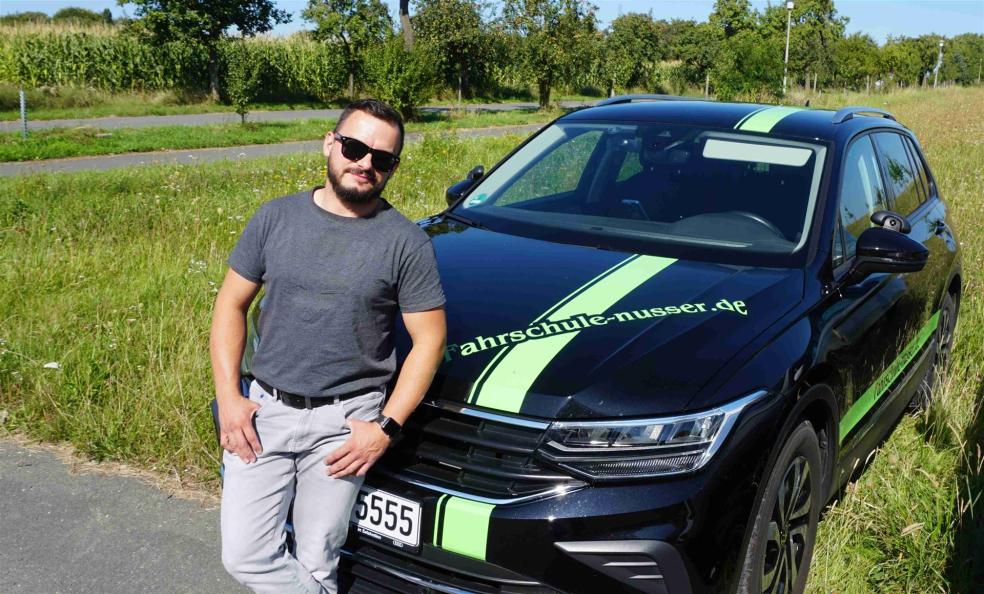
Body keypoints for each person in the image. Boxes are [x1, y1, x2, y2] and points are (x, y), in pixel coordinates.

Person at [210, 99, 447, 593]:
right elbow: (230, 305)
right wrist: (230, 398)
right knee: (246, 555)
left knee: (318, 559)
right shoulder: (275, 217)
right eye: (355, 148)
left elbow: (430, 340)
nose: (365, 163)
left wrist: (385, 428)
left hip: (345, 423)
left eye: (382, 158)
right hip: (264, 412)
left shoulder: (406, 243)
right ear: (329, 143)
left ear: (393, 167)